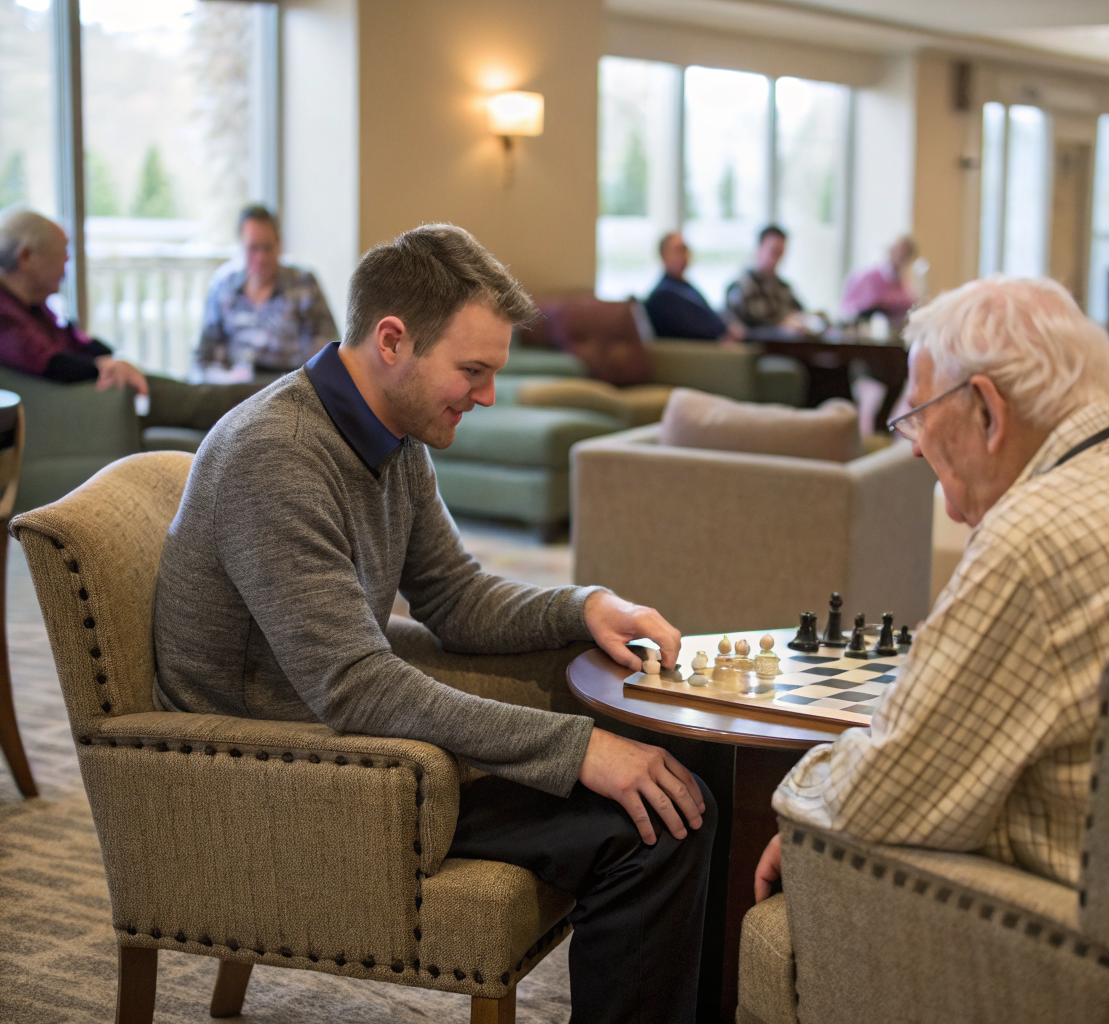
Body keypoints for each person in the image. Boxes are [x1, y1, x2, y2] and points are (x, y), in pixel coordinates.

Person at [154, 223, 716, 1024]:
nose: (486, 396)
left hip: (361, 741)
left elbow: (453, 597)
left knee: (688, 759)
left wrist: (584, 604)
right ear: (392, 340)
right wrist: (576, 747)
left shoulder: (393, 437)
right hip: (280, 770)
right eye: (473, 370)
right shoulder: (273, 456)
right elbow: (353, 689)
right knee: (656, 823)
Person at [753, 276, 1109, 902]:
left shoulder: (1033, 537)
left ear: (986, 409)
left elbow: (876, 801)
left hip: (1078, 934)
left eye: (920, 418)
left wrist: (795, 793)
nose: (916, 452)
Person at [0, 207, 258, 429]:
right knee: (207, 401)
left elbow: (80, 341)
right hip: (92, 403)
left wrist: (113, 360)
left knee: (198, 395)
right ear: (26, 257)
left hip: (102, 397)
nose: (68, 261)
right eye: (62, 253)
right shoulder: (5, 314)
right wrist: (104, 367)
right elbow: (52, 364)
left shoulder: (35, 307)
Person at [197, 205, 338, 375]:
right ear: (240, 246)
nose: (261, 258)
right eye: (253, 248)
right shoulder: (222, 286)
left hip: (288, 388)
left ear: (279, 244)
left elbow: (326, 354)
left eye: (268, 247)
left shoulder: (303, 284)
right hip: (234, 391)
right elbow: (202, 361)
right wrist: (227, 378)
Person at [644, 232, 742, 342]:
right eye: (678, 250)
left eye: (685, 249)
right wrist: (724, 334)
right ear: (663, 255)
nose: (684, 254)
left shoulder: (684, 286)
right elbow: (693, 330)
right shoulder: (663, 296)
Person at [725, 225, 804, 331]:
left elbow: (800, 313)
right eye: (773, 252)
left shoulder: (783, 287)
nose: (777, 259)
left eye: (781, 253)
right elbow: (749, 326)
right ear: (759, 248)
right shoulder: (740, 288)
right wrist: (782, 325)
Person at [838, 235, 918, 323]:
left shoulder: (904, 282)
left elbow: (908, 306)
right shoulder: (868, 277)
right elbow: (849, 309)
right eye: (898, 251)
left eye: (906, 253)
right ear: (891, 250)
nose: (901, 256)